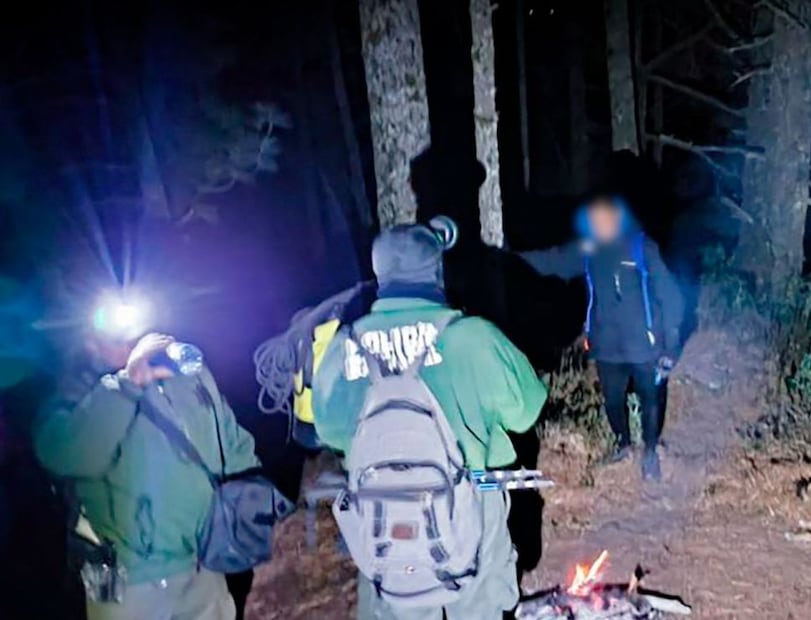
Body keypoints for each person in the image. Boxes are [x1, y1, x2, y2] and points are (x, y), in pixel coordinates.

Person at [312, 222, 546, 620]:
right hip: (470, 503)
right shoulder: (472, 337)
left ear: (380, 275)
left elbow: (329, 431)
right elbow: (526, 412)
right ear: (436, 272)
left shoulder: (343, 346)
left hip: (381, 512)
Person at [33, 330, 260, 620]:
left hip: (200, 561)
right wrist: (127, 385)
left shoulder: (188, 374)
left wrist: (255, 501)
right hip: (118, 576)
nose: (129, 337)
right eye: (114, 332)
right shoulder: (70, 396)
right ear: (88, 341)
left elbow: (230, 440)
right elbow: (69, 454)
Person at [518, 195, 684, 480]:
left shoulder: (642, 247)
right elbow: (554, 260)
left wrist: (671, 339)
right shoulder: (589, 250)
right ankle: (623, 444)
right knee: (612, 398)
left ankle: (650, 452)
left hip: (644, 342)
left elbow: (670, 295)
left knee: (650, 396)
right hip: (606, 343)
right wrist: (512, 256)